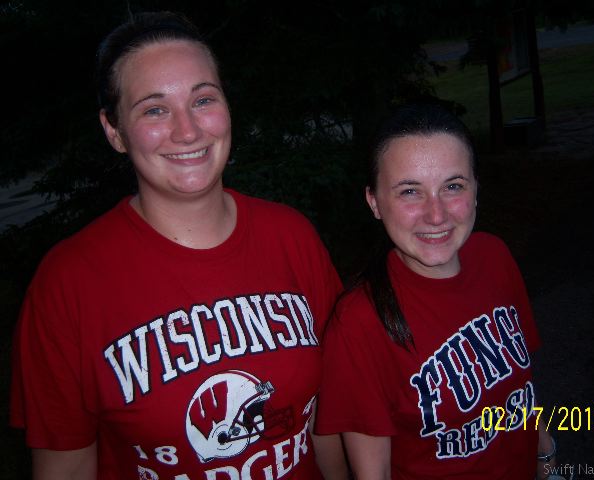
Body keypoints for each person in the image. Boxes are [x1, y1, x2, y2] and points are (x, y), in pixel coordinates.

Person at [10, 11, 348, 480]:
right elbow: (65, 467)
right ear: (114, 131)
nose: (188, 131)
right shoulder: (68, 283)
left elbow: (326, 419)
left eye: (203, 99)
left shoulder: (292, 237)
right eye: (154, 109)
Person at [315, 103, 556, 479]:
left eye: (453, 186)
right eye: (410, 191)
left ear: (476, 189)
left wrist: (547, 456)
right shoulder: (358, 324)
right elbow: (373, 473)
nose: (437, 214)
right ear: (374, 202)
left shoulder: (494, 256)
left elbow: (520, 388)